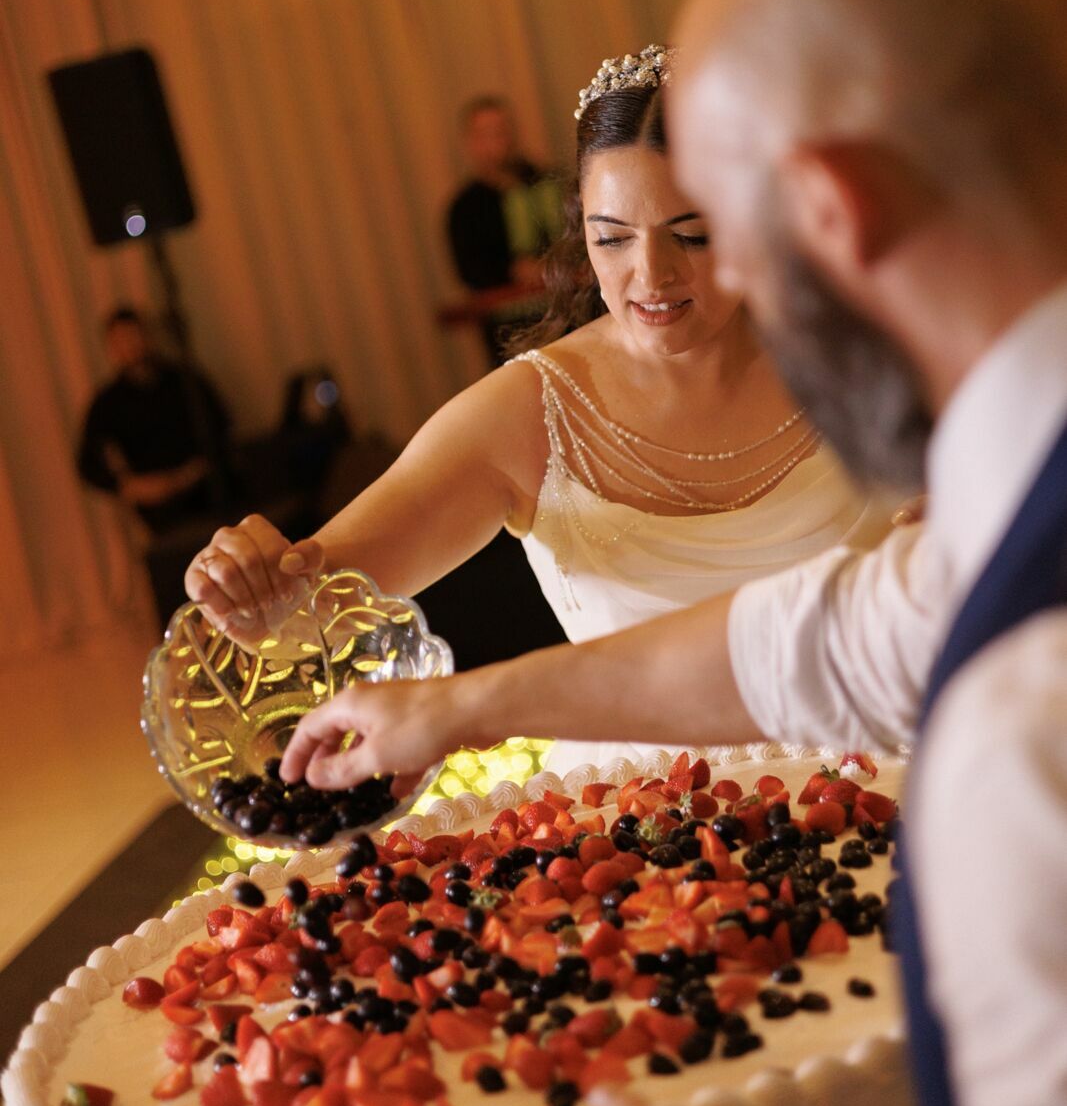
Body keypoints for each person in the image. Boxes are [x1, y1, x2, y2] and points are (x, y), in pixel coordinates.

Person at [276, 0, 1067, 1106]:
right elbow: (829, 637)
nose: (678, 286)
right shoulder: (990, 551)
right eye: (612, 241)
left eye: (722, 235)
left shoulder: (1016, 735)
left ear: (827, 212)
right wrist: (458, 710)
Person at [185, 48, 888, 771]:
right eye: (611, 237)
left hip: (887, 763)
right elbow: (319, 608)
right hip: (653, 817)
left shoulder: (858, 356)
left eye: (692, 233)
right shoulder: (529, 411)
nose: (650, 275)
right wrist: (250, 585)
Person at [77, 306, 231, 535]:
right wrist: (130, 486)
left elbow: (221, 426)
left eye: (133, 336)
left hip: (207, 492)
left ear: (147, 336)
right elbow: (87, 463)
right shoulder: (108, 402)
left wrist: (190, 474)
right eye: (120, 341)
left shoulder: (185, 380)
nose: (130, 346)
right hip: (161, 512)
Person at [445, 94, 564, 363]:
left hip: (569, 316)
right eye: (487, 133)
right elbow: (469, 271)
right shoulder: (465, 207)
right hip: (512, 334)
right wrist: (514, 271)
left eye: (502, 130)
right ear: (471, 142)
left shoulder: (547, 182)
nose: (499, 141)